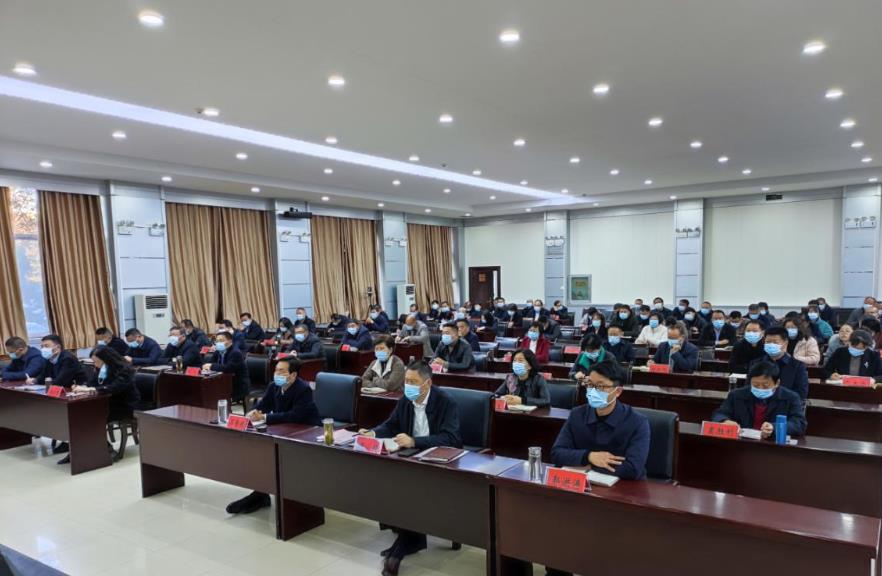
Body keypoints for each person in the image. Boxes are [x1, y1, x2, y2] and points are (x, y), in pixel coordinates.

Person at [359, 361, 462, 576]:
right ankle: (410, 538)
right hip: (412, 457)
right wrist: (373, 433)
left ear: (428, 383)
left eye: (413, 382)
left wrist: (415, 441)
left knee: (411, 488)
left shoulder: (446, 402)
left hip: (441, 461)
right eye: (406, 381)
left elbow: (451, 438)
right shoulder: (406, 399)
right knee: (386, 479)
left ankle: (402, 547)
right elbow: (391, 425)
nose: (408, 386)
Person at [226, 357, 321, 515]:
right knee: (259, 452)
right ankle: (260, 494)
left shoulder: (303, 389)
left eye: (281, 371)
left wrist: (264, 417)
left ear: (293, 375)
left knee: (279, 456)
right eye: (276, 370)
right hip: (284, 430)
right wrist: (253, 413)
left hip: (307, 432)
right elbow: (263, 406)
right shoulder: (273, 386)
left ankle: (287, 497)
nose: (277, 374)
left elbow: (295, 416)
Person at [552, 361, 650, 479]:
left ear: (618, 391)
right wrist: (588, 456)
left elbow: (634, 468)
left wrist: (589, 466)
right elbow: (557, 453)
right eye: (590, 385)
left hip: (622, 486)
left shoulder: (638, 422)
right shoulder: (577, 414)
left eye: (600, 386)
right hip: (583, 484)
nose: (593, 391)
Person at [711, 361, 806, 437]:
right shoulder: (736, 395)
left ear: (777, 383)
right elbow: (719, 414)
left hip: (772, 445)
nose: (760, 388)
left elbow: (799, 424)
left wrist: (774, 427)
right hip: (742, 442)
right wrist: (724, 421)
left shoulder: (791, 397)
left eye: (765, 385)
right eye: (756, 385)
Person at [35, 335, 88, 463]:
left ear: (57, 347)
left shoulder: (67, 358)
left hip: (79, 392)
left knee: (63, 414)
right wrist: (34, 381)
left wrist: (47, 383)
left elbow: (61, 380)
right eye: (42, 346)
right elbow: (43, 377)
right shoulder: (49, 359)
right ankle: (66, 440)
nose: (43, 349)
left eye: (46, 346)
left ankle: (72, 442)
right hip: (62, 392)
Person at [76, 347, 140, 422]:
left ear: (106, 360)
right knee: (82, 409)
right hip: (107, 401)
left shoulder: (124, 370)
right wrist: (84, 386)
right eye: (94, 362)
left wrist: (90, 389)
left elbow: (114, 388)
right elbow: (92, 382)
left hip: (123, 404)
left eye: (97, 362)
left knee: (91, 413)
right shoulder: (101, 369)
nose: (95, 365)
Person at [749, 326, 809, 401]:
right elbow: (748, 388)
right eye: (768, 342)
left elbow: (801, 393)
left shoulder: (797, 366)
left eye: (775, 342)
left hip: (786, 404)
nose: (771, 345)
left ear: (785, 343)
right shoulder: (755, 363)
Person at [202, 331, 250, 402]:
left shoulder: (236, 353)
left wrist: (211, 366)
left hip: (237, 385)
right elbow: (209, 363)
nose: (218, 343)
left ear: (230, 341)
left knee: (211, 392)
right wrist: (206, 367)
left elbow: (227, 368)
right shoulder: (218, 351)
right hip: (222, 381)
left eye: (221, 340)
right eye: (217, 341)